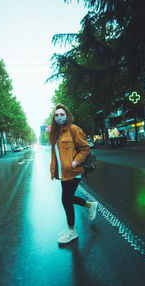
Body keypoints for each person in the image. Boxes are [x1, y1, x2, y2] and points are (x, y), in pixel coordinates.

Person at [49, 103, 98, 244]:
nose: (59, 117)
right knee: (67, 198)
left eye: (62, 114)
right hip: (63, 172)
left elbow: (85, 148)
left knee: (66, 199)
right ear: (54, 118)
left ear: (67, 116)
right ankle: (89, 205)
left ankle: (72, 230)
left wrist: (75, 162)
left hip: (74, 171)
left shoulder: (74, 129)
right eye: (56, 115)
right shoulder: (56, 133)